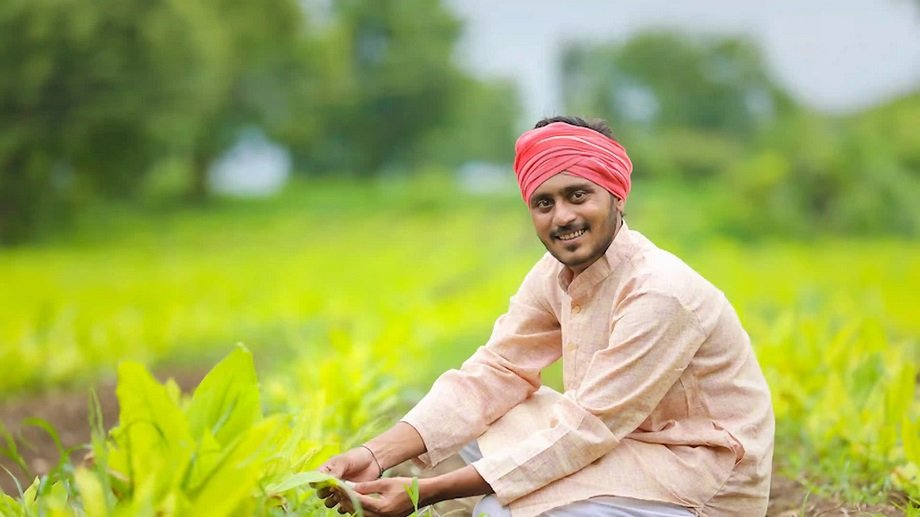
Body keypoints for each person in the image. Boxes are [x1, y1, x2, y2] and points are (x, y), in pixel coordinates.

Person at [316, 116, 774, 517]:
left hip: (698, 478)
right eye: (544, 203)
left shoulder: (659, 292)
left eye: (578, 195)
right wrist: (374, 455)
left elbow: (587, 430)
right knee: (472, 423)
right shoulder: (555, 274)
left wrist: (423, 493)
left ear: (616, 195)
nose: (563, 217)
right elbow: (496, 372)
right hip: (622, 445)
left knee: (498, 510)